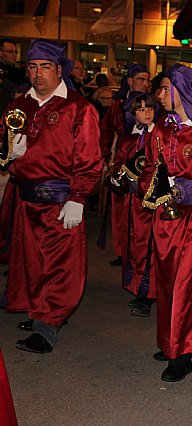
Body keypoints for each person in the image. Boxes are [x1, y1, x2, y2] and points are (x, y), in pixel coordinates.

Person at [0, 39, 102, 353]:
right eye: (32, 66)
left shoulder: (77, 107)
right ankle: (41, 311)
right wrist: (8, 152)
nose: (38, 74)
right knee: (32, 262)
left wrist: (78, 196)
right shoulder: (20, 105)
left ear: (59, 70)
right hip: (27, 199)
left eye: (46, 67)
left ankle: (47, 326)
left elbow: (90, 156)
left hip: (61, 199)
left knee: (60, 264)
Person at [138, 64, 192, 382]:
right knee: (169, 281)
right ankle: (171, 339)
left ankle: (182, 352)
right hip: (166, 218)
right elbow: (148, 167)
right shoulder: (161, 130)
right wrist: (157, 182)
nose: (158, 96)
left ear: (182, 91)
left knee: (188, 286)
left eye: (164, 89)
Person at [109, 91, 157, 317]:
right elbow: (118, 164)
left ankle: (147, 293)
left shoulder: (160, 136)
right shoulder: (128, 139)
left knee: (149, 246)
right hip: (131, 201)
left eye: (150, 107)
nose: (146, 112)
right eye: (141, 108)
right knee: (134, 243)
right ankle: (136, 284)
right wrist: (116, 176)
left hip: (151, 203)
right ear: (132, 113)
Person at [100, 64, 151, 268]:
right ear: (130, 81)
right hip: (122, 159)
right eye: (141, 79)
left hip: (144, 165)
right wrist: (105, 158)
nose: (145, 84)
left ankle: (139, 253)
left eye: (148, 80)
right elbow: (105, 131)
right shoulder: (118, 106)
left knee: (141, 214)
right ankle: (122, 251)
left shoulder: (151, 106)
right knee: (120, 212)